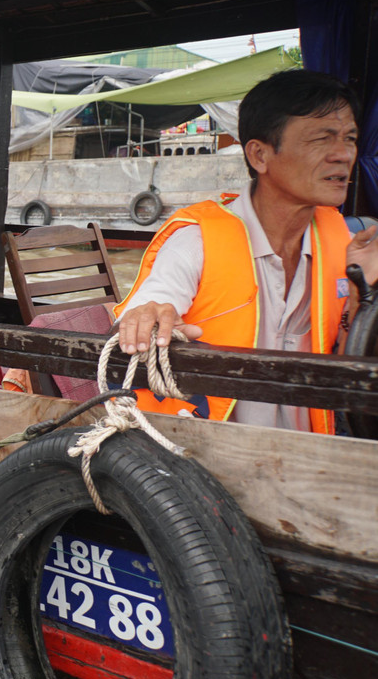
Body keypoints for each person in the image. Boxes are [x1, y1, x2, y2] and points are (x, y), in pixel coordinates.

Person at [114, 69, 378, 432]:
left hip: (311, 448)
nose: (343, 154)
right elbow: (153, 302)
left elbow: (348, 357)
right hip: (203, 452)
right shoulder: (199, 239)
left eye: (349, 138)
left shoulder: (339, 240)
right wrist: (148, 315)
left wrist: (361, 292)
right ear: (259, 155)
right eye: (322, 139)